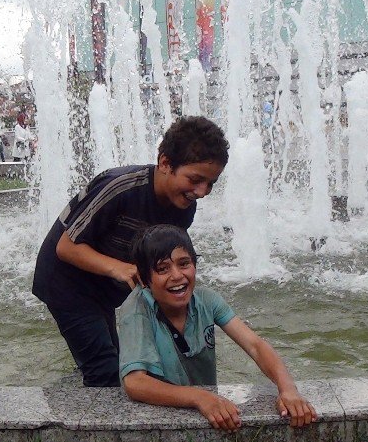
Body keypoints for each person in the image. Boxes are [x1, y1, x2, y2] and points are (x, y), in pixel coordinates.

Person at [32, 116, 229, 387]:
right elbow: (65, 247)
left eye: (211, 183)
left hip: (105, 286)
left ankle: (82, 394)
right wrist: (120, 268)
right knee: (105, 370)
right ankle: (92, 422)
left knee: (124, 360)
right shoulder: (121, 188)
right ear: (165, 163)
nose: (203, 191)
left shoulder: (183, 207)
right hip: (66, 282)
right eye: (195, 179)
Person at [118, 224, 318, 431]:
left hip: (207, 409)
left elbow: (255, 346)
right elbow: (135, 383)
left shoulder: (207, 300)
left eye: (184, 263)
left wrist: (288, 389)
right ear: (143, 279)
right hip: (159, 420)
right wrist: (199, 397)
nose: (177, 275)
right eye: (162, 269)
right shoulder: (137, 310)